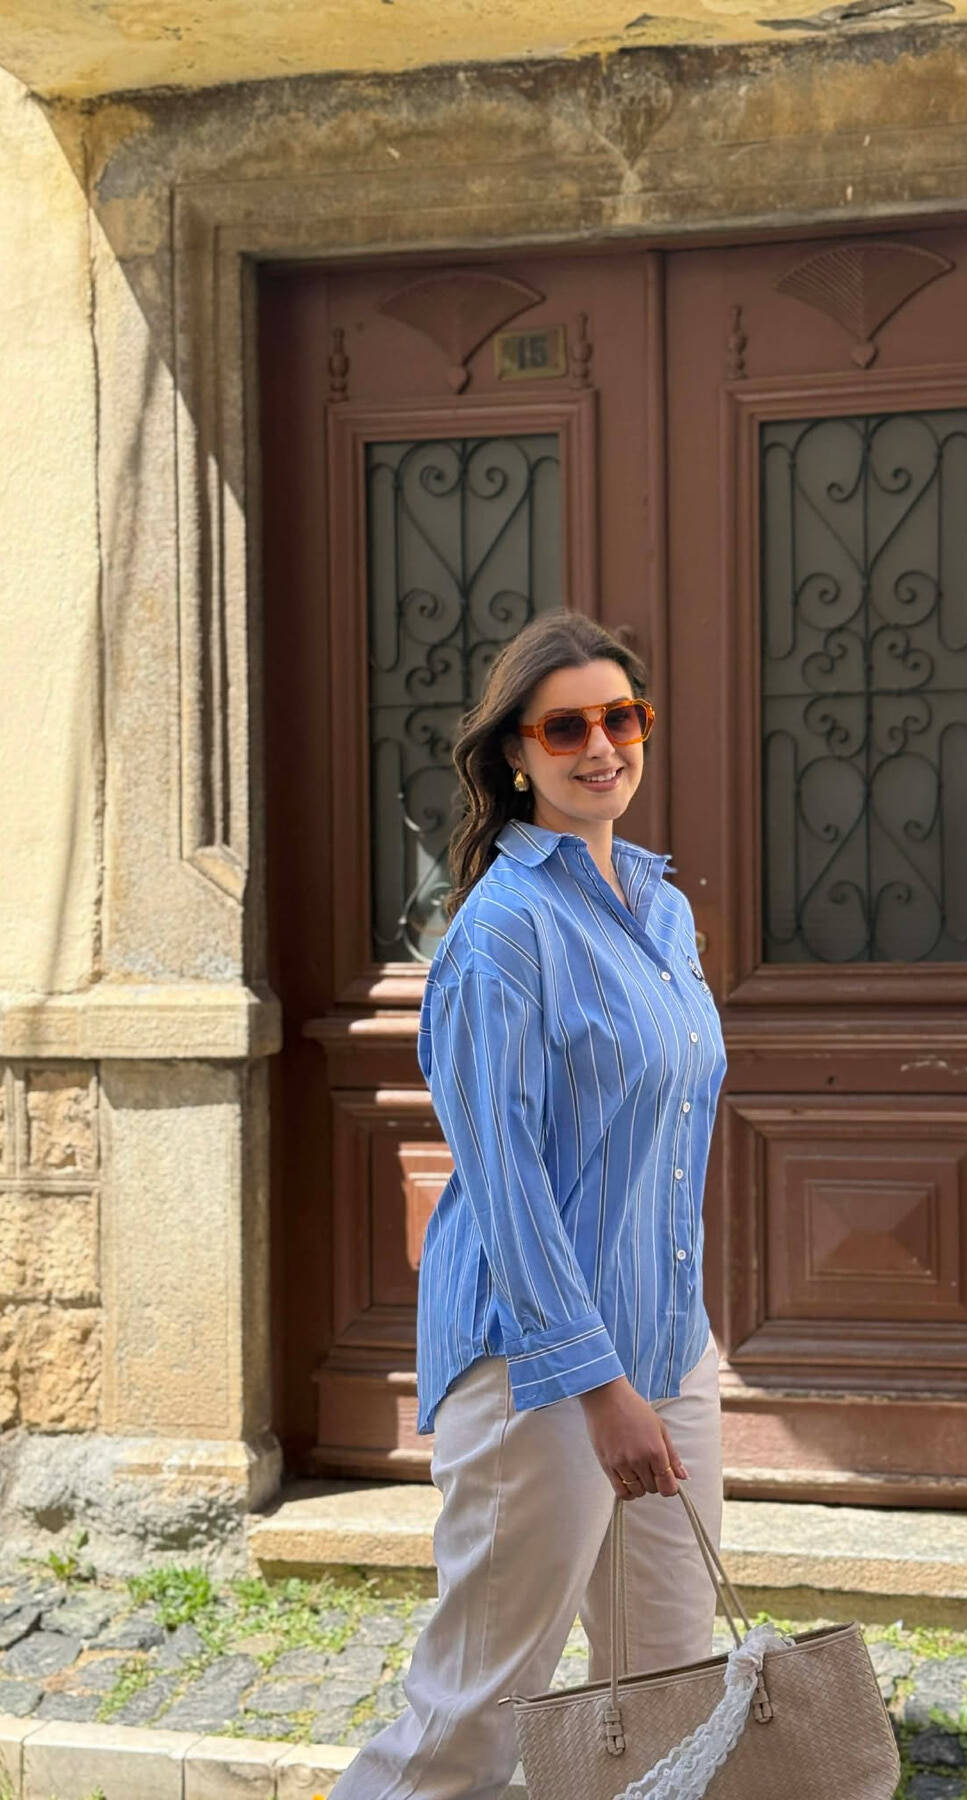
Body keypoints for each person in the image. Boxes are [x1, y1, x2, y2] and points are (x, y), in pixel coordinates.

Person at [332, 612, 728, 1800]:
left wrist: (667, 1362)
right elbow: (503, 1186)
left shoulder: (662, 910)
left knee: (665, 1697)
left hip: (668, 1348)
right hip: (539, 1369)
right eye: (566, 728)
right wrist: (601, 1389)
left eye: (622, 718)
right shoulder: (501, 933)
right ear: (516, 753)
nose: (601, 746)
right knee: (472, 1718)